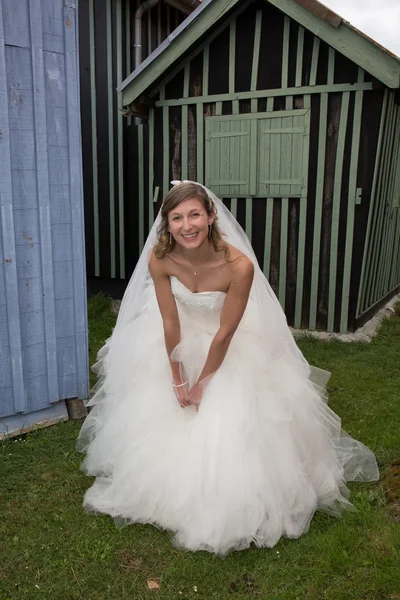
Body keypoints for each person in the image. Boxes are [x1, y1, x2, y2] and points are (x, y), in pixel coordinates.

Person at [78, 181, 379, 555]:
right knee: (160, 409)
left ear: (210, 216)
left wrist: (202, 382)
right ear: (167, 223)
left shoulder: (239, 266)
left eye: (194, 215)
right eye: (177, 217)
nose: (186, 225)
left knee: (231, 416)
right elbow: (169, 323)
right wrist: (177, 378)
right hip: (179, 337)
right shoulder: (161, 258)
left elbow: (225, 333)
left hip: (229, 344)